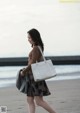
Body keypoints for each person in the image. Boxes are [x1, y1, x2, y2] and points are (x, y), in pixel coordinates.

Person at [20, 28, 56, 113]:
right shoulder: (38, 47)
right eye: (27, 38)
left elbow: (32, 64)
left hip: (35, 77)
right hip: (32, 77)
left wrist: (23, 72)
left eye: (30, 37)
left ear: (34, 37)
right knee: (29, 100)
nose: (28, 40)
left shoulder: (36, 48)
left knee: (39, 101)